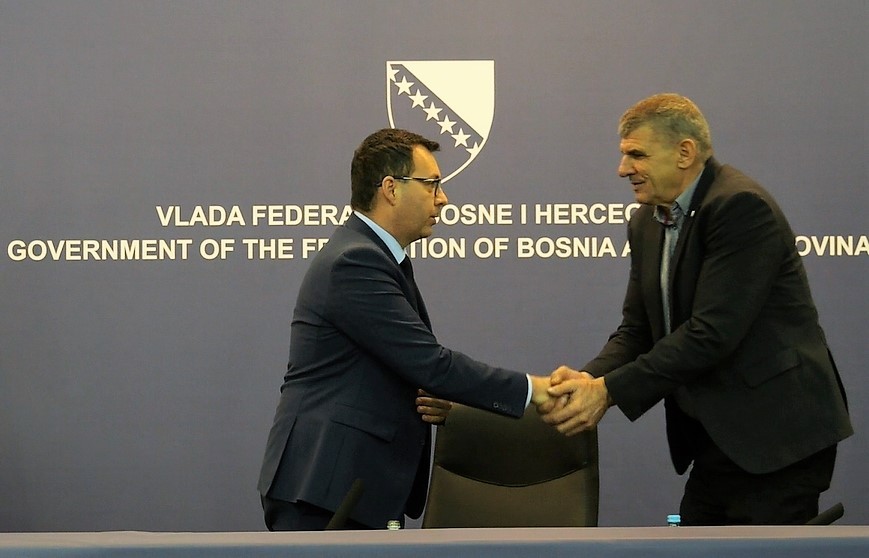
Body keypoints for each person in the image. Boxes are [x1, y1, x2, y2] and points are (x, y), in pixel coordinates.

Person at [541, 93, 852, 525]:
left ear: (684, 152)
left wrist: (608, 391)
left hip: (777, 437)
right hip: (716, 441)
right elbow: (638, 330)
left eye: (637, 155)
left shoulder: (740, 206)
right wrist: (590, 379)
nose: (623, 169)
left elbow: (711, 334)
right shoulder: (646, 221)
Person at [257, 128, 553, 530]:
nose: (443, 199)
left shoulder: (375, 256)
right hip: (324, 490)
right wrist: (536, 390)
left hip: (349, 488)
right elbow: (431, 364)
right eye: (432, 184)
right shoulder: (355, 262)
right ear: (391, 189)